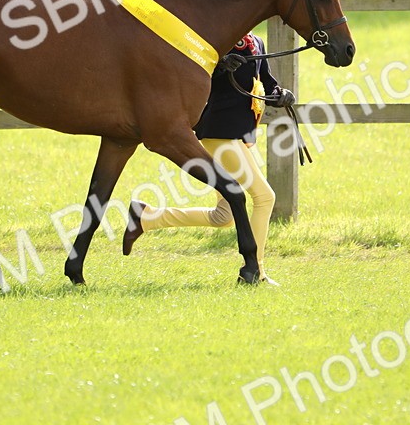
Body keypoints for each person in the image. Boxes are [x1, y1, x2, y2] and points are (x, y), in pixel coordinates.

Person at [122, 32, 294, 284]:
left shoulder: (256, 42)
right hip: (219, 132)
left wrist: (280, 94)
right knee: (264, 197)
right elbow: (196, 77)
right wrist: (221, 66)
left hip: (239, 135)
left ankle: (147, 217)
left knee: (222, 216)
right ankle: (256, 272)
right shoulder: (215, 39)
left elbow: (265, 81)